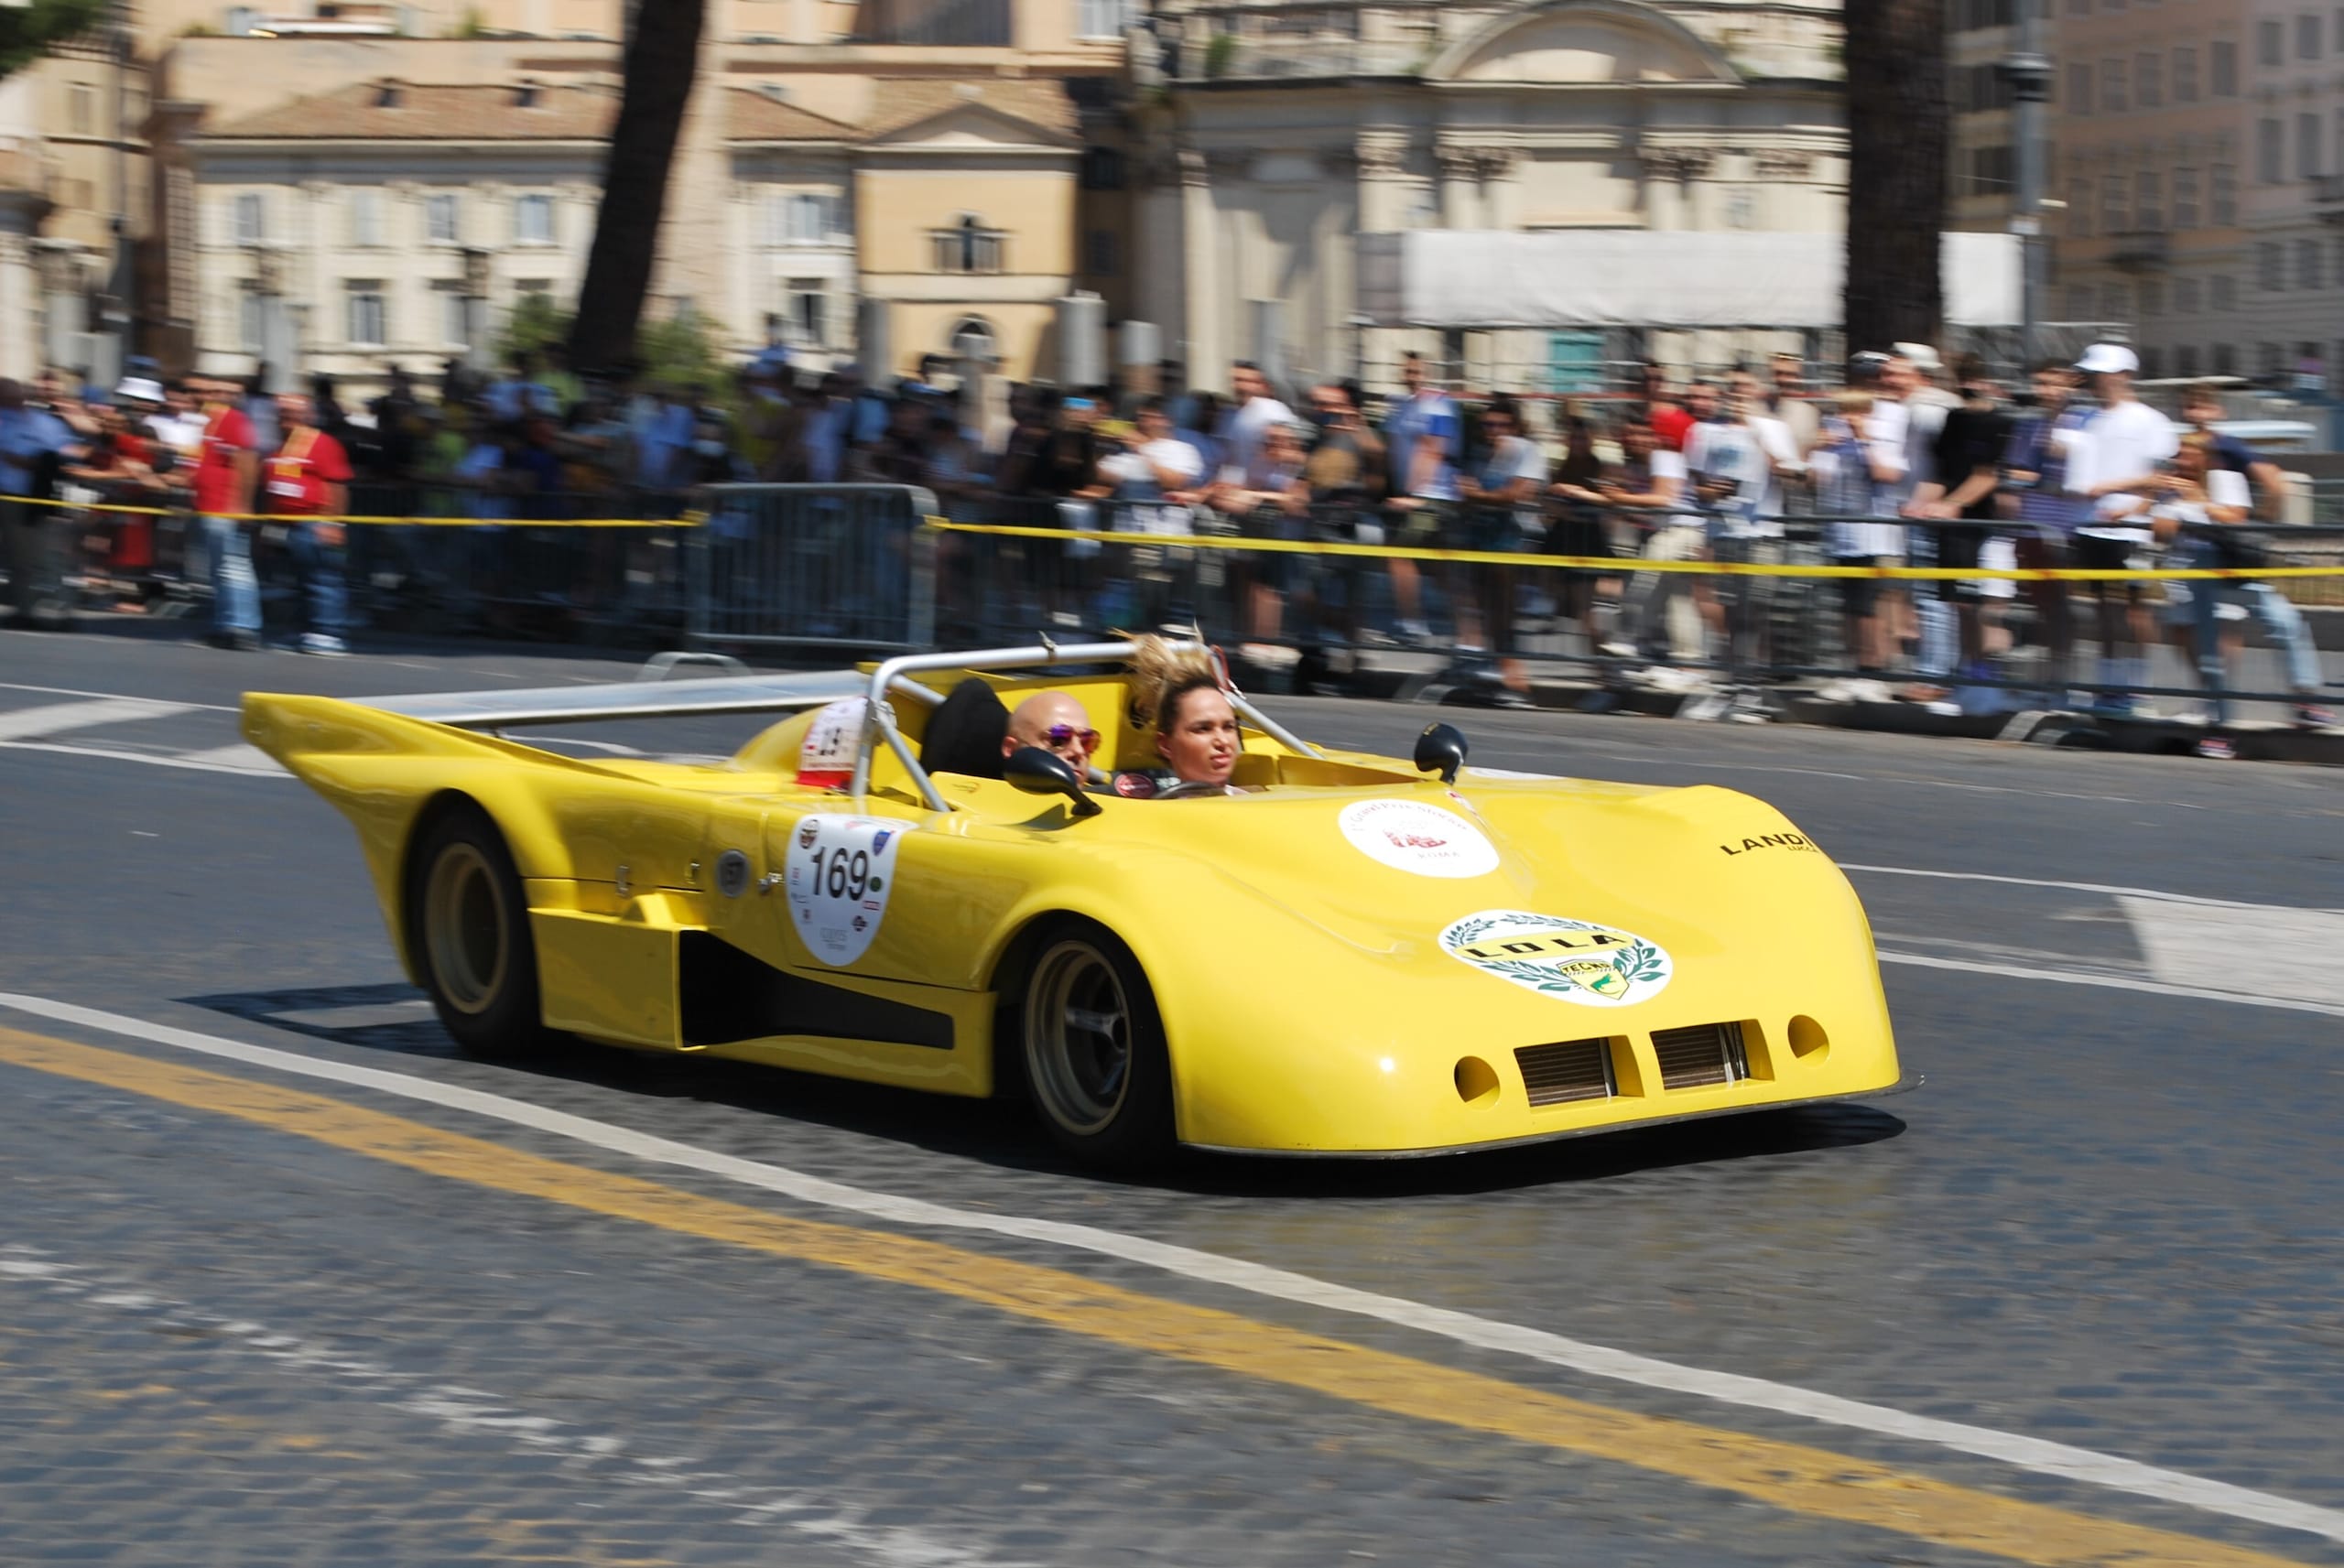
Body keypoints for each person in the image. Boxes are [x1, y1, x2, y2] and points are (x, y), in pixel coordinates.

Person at [2126, 434, 2332, 733]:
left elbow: (2236, 519)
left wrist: (2201, 502)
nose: (2183, 462)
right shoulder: (2169, 488)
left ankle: (2305, 700)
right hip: (2194, 570)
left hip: (2233, 564)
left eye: (2190, 455)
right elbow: (2160, 533)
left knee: (2286, 621)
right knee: (2206, 645)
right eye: (2179, 456)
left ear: (2205, 458)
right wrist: (2155, 497)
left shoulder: (2225, 480)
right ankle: (2219, 719)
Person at [2071, 342, 2177, 716]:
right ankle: (2108, 685)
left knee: (2135, 609)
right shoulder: (2083, 419)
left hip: (2132, 530)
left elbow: (2163, 477)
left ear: (2123, 376)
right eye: (2092, 375)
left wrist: (2123, 498)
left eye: (2100, 375)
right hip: (2090, 527)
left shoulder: (2150, 420)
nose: (2094, 382)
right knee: (2103, 609)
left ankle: (2136, 686)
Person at [264, 392, 356, 655]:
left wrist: (333, 523)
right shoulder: (280, 445)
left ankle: (329, 632)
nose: (286, 419)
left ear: (308, 415)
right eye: (282, 414)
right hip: (286, 525)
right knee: (298, 582)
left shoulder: (323, 444)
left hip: (313, 522)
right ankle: (304, 631)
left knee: (323, 579)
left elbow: (337, 486)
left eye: (292, 414)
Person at [1382, 351, 1461, 643]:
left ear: (1428, 372)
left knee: (1398, 555)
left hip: (1432, 495)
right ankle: (1467, 624)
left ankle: (1411, 623)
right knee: (1437, 566)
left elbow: (1433, 449)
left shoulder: (1438, 404)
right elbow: (1390, 450)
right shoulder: (1402, 407)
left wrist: (1412, 495)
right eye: (1407, 370)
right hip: (1413, 494)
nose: (1411, 375)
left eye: (1416, 370)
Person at [1112, 635, 1247, 797]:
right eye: (1203, 729)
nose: (1222, 741)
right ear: (1166, 745)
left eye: (1228, 727)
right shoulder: (1156, 816)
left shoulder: (1259, 803)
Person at [188, 372, 265, 650]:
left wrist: (242, 505)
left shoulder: (233, 420)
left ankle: (243, 626)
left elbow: (246, 461)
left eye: (216, 391)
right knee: (221, 570)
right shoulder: (209, 422)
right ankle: (227, 624)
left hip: (225, 508)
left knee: (234, 568)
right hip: (210, 506)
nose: (207, 397)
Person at [0, 377, 81, 627]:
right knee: (17, 559)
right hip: (9, 497)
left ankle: (63, 612)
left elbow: (65, 458)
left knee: (45, 557)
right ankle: (25, 610)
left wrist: (34, 463)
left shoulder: (46, 424)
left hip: (34, 500)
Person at [1002, 690, 1103, 774]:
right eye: (1058, 740)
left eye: (1086, 741)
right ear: (1011, 749)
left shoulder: (1108, 797)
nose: (1079, 751)